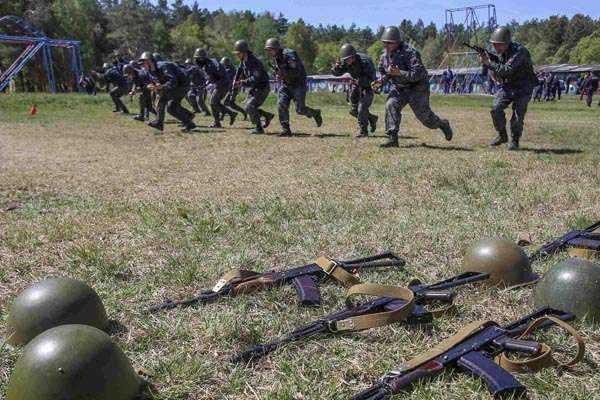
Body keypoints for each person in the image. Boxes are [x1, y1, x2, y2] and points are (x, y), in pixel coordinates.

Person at [375, 26, 453, 148]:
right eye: (385, 43)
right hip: (400, 88)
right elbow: (385, 74)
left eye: (390, 43)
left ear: (397, 42)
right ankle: (392, 138)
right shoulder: (384, 57)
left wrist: (400, 72)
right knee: (391, 104)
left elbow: (418, 74)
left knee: (425, 118)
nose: (386, 46)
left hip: (417, 87)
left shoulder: (410, 53)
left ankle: (442, 124)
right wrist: (380, 82)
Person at [479, 27, 537, 150]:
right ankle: (502, 135)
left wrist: (489, 63)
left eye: (498, 45)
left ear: (506, 43)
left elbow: (507, 70)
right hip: (508, 86)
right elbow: (497, 68)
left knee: (517, 115)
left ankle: (514, 141)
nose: (495, 48)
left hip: (524, 87)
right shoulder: (501, 53)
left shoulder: (519, 51)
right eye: (493, 45)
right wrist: (488, 62)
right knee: (495, 109)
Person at [264, 37, 323, 136]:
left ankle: (315, 113)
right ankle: (285, 130)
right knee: (281, 105)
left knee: (300, 110)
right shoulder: (276, 58)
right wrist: (277, 75)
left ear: (276, 48)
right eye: (268, 50)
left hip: (298, 84)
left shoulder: (289, 54)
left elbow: (296, 71)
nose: (269, 52)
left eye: (270, 49)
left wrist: (283, 73)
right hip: (286, 84)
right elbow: (279, 71)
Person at [139, 52, 196, 132]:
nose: (142, 65)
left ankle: (159, 123)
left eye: (143, 62)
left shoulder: (163, 66)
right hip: (176, 86)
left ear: (149, 61)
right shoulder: (150, 70)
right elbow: (155, 80)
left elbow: (173, 81)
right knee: (171, 108)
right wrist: (151, 85)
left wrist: (161, 87)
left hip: (182, 84)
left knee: (163, 99)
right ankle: (189, 120)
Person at [331, 43, 378, 138]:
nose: (347, 61)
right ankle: (372, 118)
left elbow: (372, 79)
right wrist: (336, 67)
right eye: (345, 60)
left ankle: (363, 131)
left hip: (368, 86)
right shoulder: (345, 61)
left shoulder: (365, 61)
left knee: (362, 108)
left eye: (349, 59)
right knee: (354, 111)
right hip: (356, 85)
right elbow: (337, 73)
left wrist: (359, 81)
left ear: (354, 55)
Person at [232, 40, 274, 135]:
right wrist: (236, 79)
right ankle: (267, 115)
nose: (237, 55)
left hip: (262, 87)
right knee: (248, 107)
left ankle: (259, 128)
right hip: (255, 87)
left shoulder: (254, 61)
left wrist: (242, 82)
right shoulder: (244, 60)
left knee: (249, 107)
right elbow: (239, 69)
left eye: (238, 53)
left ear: (244, 52)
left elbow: (256, 78)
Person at [193, 48, 238, 128]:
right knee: (215, 103)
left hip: (224, 84)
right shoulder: (206, 65)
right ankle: (231, 114)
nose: (197, 61)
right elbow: (212, 77)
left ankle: (218, 122)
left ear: (202, 58)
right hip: (219, 84)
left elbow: (223, 78)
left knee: (213, 102)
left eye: (198, 59)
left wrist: (215, 84)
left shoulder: (212, 64)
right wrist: (207, 84)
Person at [220, 56, 248, 121]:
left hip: (234, 88)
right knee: (227, 103)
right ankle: (223, 115)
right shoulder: (228, 68)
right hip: (231, 88)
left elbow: (225, 75)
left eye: (223, 64)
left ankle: (243, 113)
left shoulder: (230, 69)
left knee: (230, 103)